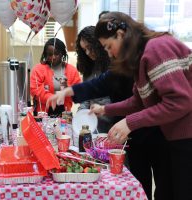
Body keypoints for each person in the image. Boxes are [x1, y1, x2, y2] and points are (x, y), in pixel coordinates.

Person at [46, 26, 171, 200]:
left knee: (166, 187)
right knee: (139, 180)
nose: (90, 53)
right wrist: (98, 107)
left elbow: (166, 104)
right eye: (85, 50)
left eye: (106, 46)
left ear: (121, 37)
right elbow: (132, 100)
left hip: (156, 133)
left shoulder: (149, 56)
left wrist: (125, 120)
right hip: (128, 131)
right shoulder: (118, 66)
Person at [92, 11, 192, 200]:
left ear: (121, 35)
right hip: (174, 137)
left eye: (108, 46)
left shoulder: (156, 49)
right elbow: (138, 102)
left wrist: (129, 123)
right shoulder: (142, 58)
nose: (109, 53)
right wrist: (105, 109)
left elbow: (179, 101)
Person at [75, 26, 113, 133]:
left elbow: (122, 101)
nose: (87, 53)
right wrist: (80, 114)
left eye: (89, 47)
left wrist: (102, 109)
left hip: (114, 127)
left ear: (98, 44)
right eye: (84, 50)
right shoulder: (89, 69)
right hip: (94, 126)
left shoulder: (113, 65)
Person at [30, 38, 81, 117]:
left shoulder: (72, 71)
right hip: (42, 114)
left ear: (62, 53)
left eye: (56, 54)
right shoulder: (38, 69)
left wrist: (68, 88)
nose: (53, 57)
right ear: (45, 55)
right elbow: (35, 90)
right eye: (50, 54)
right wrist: (55, 98)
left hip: (65, 114)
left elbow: (78, 92)